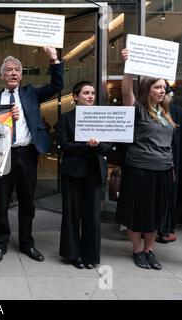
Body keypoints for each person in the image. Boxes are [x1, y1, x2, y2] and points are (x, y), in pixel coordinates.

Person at [0, 46, 64, 264]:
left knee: (27, 201)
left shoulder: (30, 94)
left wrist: (53, 59)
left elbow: (57, 85)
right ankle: (0, 243)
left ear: (21, 75)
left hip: (27, 153)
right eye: (8, 70)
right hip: (2, 157)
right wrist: (3, 115)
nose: (13, 73)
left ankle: (27, 243)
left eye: (16, 70)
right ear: (2, 75)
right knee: (1, 201)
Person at [117, 49, 175, 270]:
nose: (162, 91)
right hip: (140, 168)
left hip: (163, 169)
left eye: (164, 87)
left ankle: (150, 250)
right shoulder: (138, 109)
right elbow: (125, 90)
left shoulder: (165, 112)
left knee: (155, 212)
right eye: (158, 87)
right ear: (147, 89)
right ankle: (137, 250)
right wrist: (129, 66)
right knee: (138, 211)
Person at [57, 81, 110, 269]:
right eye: (86, 92)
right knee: (71, 214)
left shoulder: (102, 117)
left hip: (95, 171)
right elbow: (64, 145)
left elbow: (108, 146)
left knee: (92, 216)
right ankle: (72, 255)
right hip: (72, 172)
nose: (90, 96)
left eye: (93, 93)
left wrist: (97, 146)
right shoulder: (66, 118)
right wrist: (87, 146)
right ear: (75, 96)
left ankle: (91, 256)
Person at [156, 83, 182, 243]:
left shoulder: (174, 112)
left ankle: (164, 229)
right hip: (163, 158)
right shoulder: (151, 111)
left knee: (167, 196)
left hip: (170, 159)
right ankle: (162, 229)